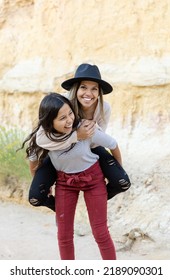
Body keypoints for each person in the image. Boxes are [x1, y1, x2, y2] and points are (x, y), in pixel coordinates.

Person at [22, 92, 120, 260]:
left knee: (100, 232)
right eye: (62, 118)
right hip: (65, 183)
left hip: (93, 180)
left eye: (70, 113)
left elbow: (113, 144)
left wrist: (118, 170)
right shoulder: (46, 137)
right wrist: (43, 186)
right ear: (49, 122)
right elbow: (33, 162)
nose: (69, 120)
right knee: (64, 235)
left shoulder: (84, 128)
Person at [29, 63, 131, 211]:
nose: (88, 93)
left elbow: (99, 139)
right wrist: (77, 135)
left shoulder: (104, 108)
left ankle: (95, 197)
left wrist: (117, 170)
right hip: (59, 150)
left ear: (99, 92)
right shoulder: (63, 102)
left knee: (123, 182)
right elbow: (41, 138)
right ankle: (61, 205)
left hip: (91, 147)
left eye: (94, 89)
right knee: (36, 197)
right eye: (83, 87)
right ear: (76, 88)